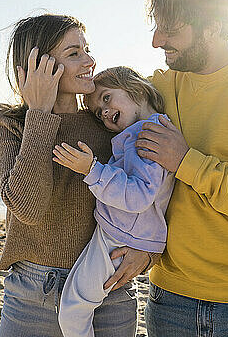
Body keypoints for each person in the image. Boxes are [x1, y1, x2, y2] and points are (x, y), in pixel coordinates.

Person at [0, 0, 228, 336]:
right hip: (166, 299)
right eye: (156, 27)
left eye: (169, 29)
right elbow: (38, 198)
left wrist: (184, 165)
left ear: (213, 26)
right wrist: (20, 124)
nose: (156, 40)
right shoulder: (151, 94)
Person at [0, 14, 155, 337]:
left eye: (87, 49)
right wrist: (38, 114)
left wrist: (149, 252)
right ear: (38, 66)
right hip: (33, 294)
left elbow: (149, 191)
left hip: (109, 288)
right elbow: (28, 208)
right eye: (74, 53)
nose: (90, 60)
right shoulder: (7, 127)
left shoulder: (107, 126)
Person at [52, 66, 175, 337]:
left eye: (106, 98)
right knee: (74, 301)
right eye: (99, 112)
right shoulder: (139, 132)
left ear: (138, 89)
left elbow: (139, 196)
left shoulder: (147, 137)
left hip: (120, 239)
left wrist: (92, 170)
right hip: (118, 231)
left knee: (74, 309)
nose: (104, 112)